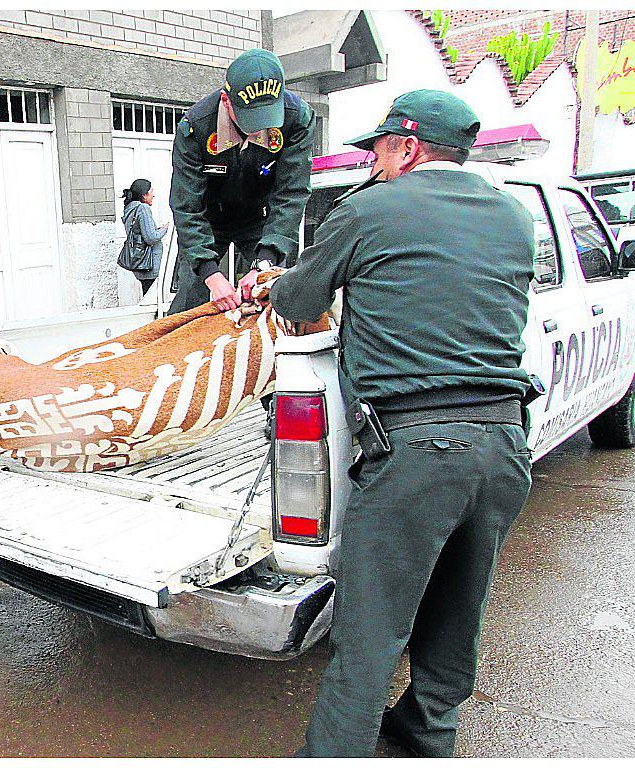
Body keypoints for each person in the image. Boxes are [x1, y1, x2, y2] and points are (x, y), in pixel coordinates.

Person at [269, 90, 538, 757]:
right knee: (455, 615)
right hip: (504, 447)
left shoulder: (368, 210)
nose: (374, 162)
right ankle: (427, 737)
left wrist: (272, 282)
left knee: (369, 638)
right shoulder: (514, 215)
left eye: (380, 149)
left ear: (408, 147)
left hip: (418, 453)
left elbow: (299, 299)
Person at [167, 48, 314, 314]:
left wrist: (264, 263)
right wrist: (211, 274)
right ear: (226, 101)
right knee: (189, 300)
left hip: (261, 217)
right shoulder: (196, 126)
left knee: (275, 294)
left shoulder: (297, 118)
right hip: (209, 219)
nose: (260, 128)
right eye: (250, 118)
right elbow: (186, 205)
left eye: (267, 116)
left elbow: (291, 193)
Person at [118, 178, 169, 297]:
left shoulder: (129, 208)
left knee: (147, 295)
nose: (153, 195)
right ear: (144, 195)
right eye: (151, 191)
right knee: (154, 299)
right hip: (150, 265)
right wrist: (166, 228)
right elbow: (151, 238)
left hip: (140, 263)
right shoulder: (142, 208)